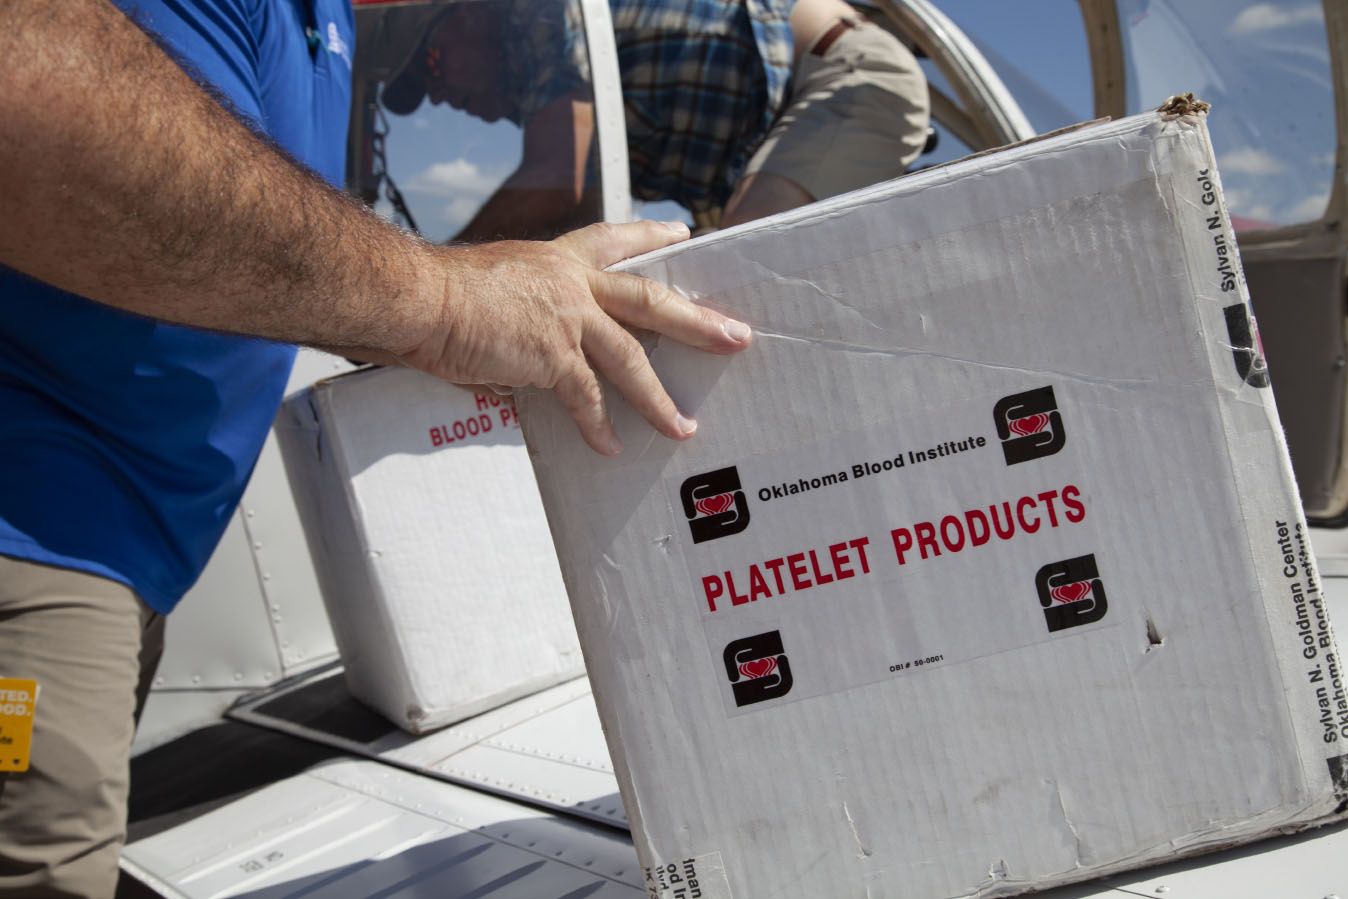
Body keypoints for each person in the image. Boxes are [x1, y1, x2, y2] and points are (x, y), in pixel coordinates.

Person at [0, 1, 751, 896]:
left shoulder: (335, 30)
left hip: (129, 547)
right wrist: (440, 301)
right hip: (40, 515)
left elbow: (273, 235)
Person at [370, 0, 930, 238]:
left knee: (741, 271)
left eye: (433, 65)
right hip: (770, 143)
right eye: (423, 92)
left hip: (840, 75)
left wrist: (437, 281)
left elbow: (556, 184)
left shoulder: (528, 16)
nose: (439, 96)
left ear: (466, 11)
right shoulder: (558, 98)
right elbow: (584, 217)